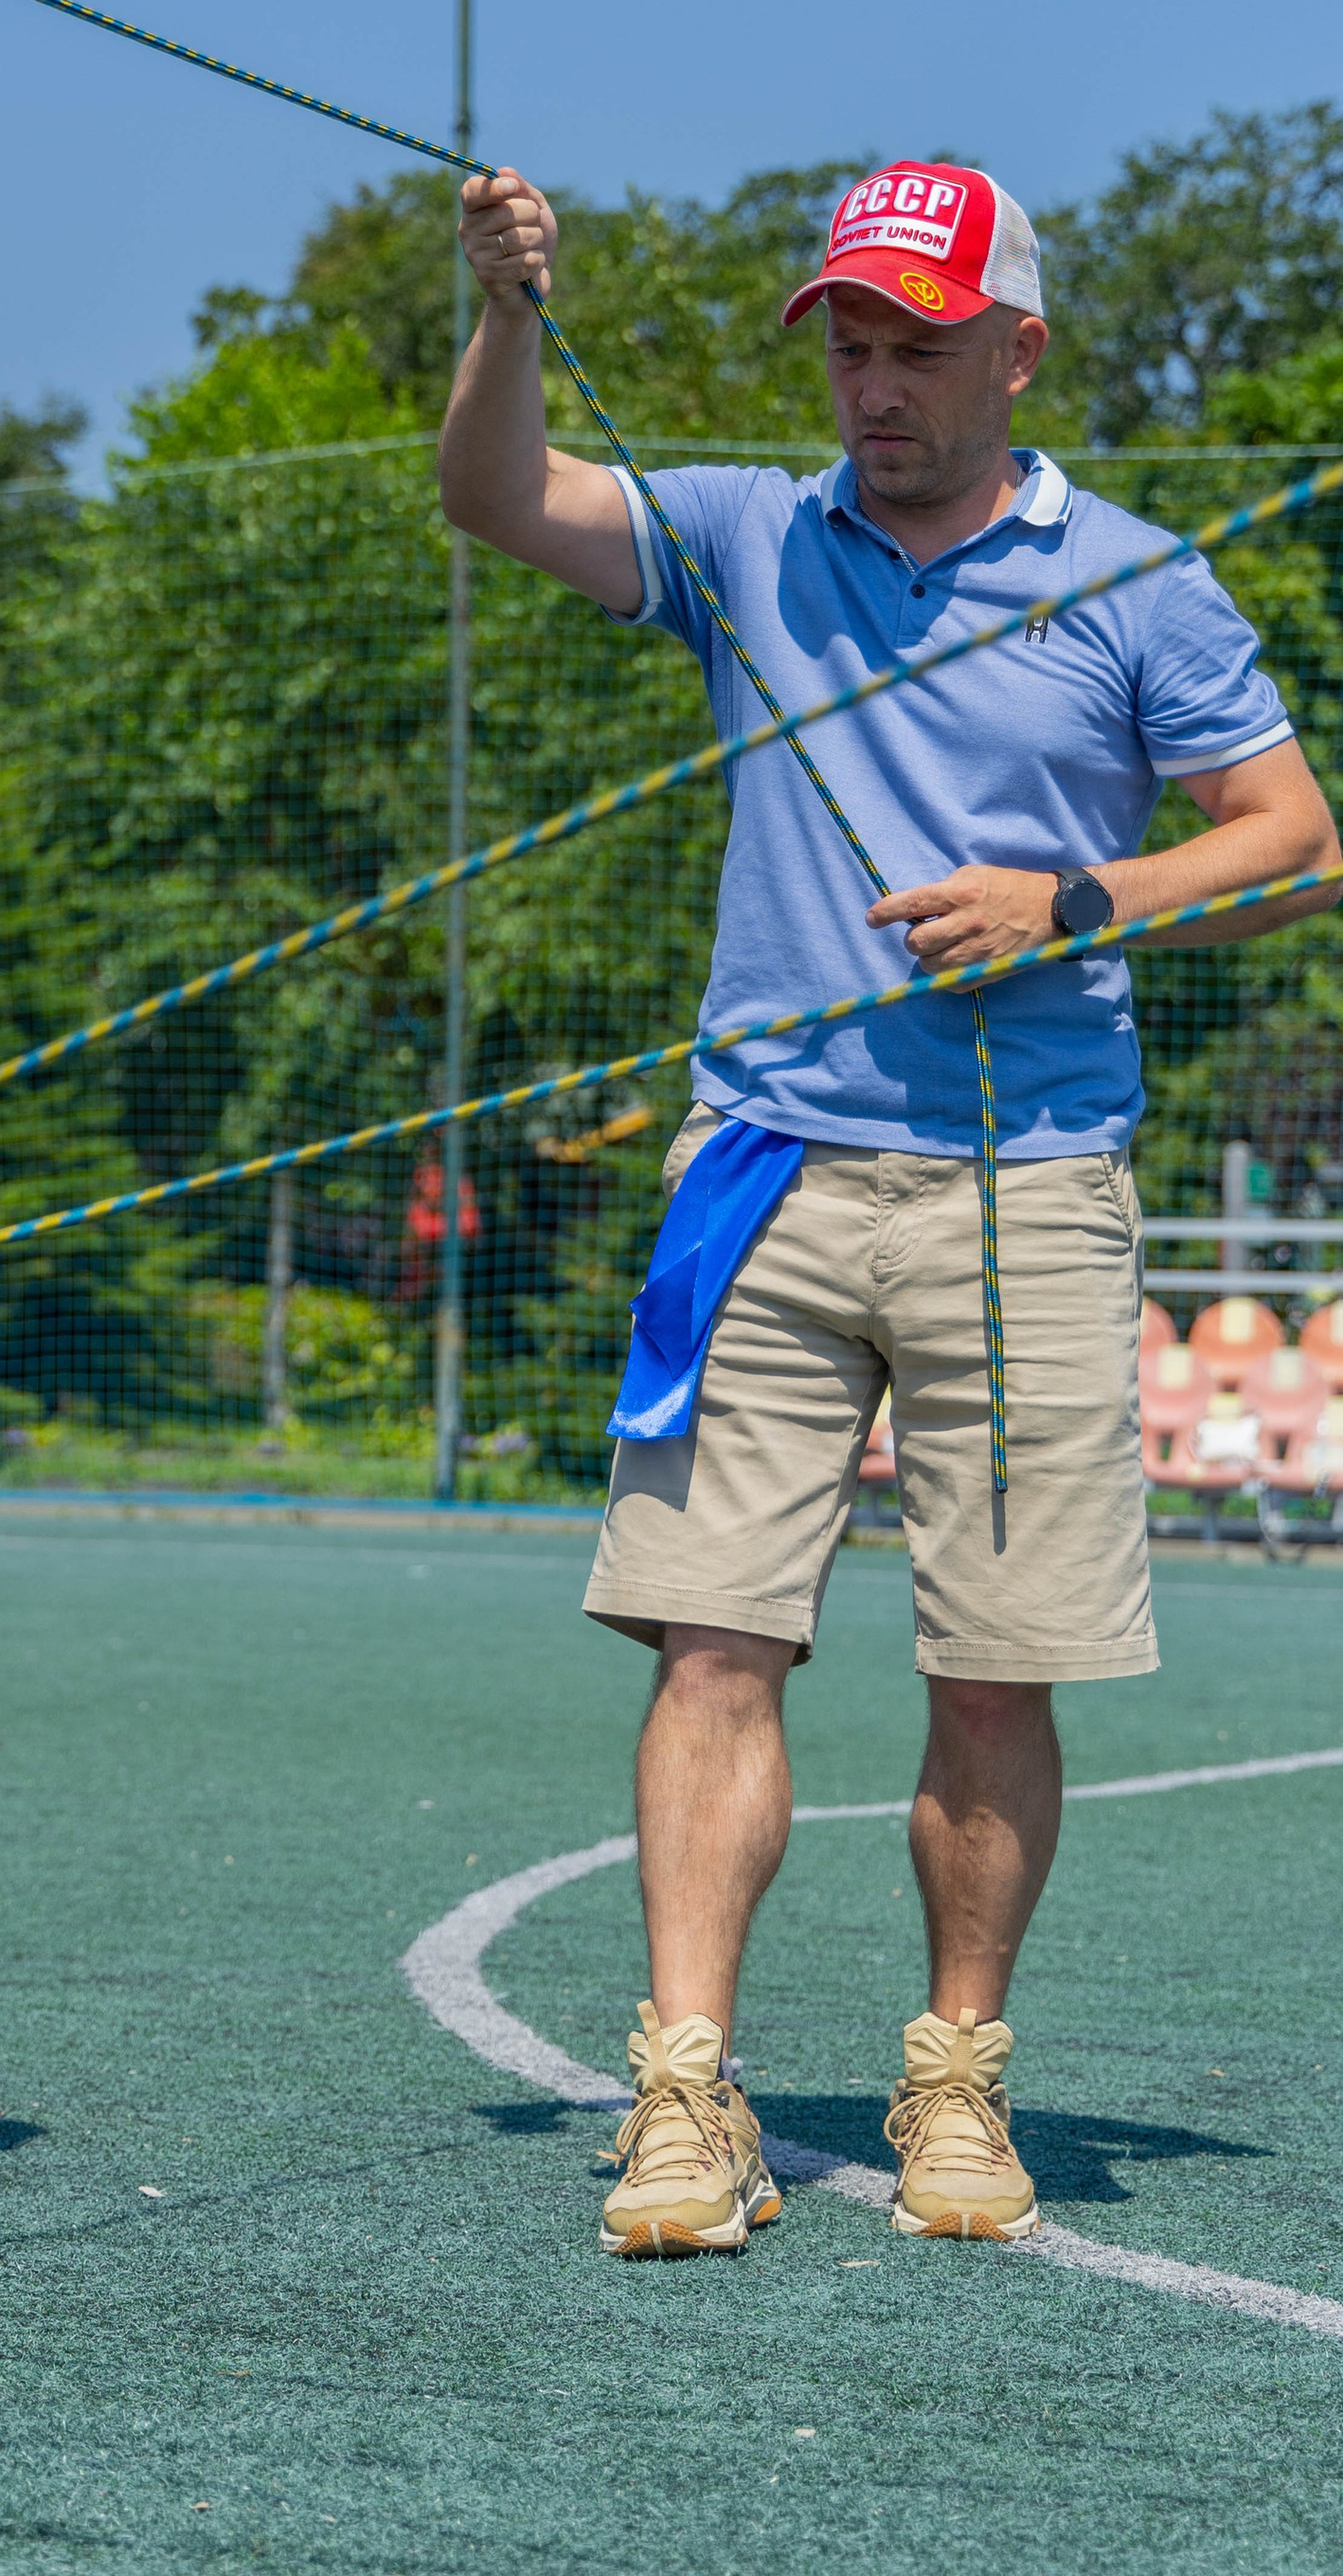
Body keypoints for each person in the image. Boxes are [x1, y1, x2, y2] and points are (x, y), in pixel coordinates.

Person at [440, 158, 1339, 2260]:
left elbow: (1294, 837)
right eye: (843, 341)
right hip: (756, 1174)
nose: (869, 382)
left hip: (1024, 1195)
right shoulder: (750, 536)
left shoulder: (1133, 582)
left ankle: (954, 2078)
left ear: (1015, 350)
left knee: (992, 1674)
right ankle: (682, 2091)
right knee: (710, 1647)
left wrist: (1071, 901)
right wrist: (501, 312)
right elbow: (498, 498)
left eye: (911, 343)